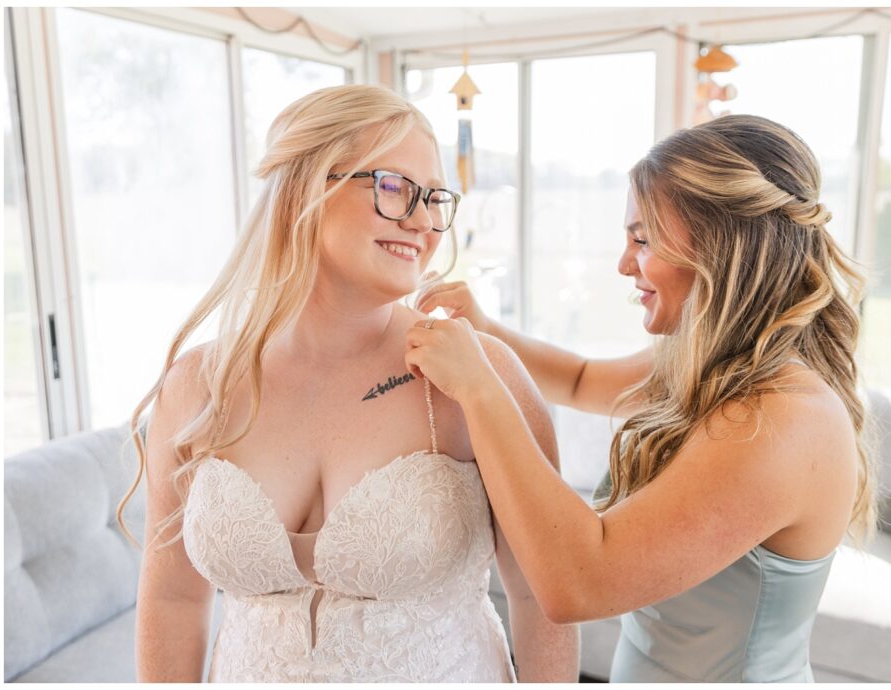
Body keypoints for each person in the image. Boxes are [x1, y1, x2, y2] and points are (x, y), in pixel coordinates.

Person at [117, 84, 578, 682]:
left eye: (434, 198)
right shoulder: (198, 385)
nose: (424, 223)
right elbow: (173, 599)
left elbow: (543, 600)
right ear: (306, 187)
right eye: (393, 188)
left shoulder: (477, 377)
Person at [408, 114, 875, 683]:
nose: (624, 263)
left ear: (721, 244)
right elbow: (579, 379)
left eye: (643, 239)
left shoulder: (782, 420)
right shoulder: (706, 365)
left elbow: (580, 580)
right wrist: (488, 331)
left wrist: (479, 388)